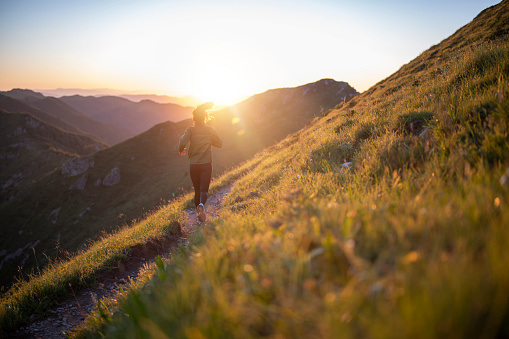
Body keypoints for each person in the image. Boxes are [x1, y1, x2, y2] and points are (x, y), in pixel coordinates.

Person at [178, 102, 222, 222]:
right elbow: (219, 144)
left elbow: (182, 143)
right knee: (204, 191)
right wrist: (207, 140)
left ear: (194, 118)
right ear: (205, 117)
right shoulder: (210, 130)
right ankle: (202, 206)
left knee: (196, 190)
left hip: (194, 165)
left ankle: (199, 215)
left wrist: (181, 150)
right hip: (206, 165)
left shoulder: (190, 130)